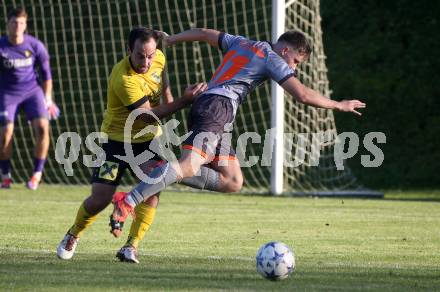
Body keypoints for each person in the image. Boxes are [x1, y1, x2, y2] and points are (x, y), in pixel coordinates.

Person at [110, 28, 366, 224]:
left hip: (215, 110)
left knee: (232, 181)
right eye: (296, 62)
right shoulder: (273, 58)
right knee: (190, 164)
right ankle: (129, 200)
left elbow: (202, 33)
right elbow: (303, 95)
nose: (293, 68)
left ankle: (163, 172)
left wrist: (172, 39)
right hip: (216, 109)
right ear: (287, 51)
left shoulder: (242, 42)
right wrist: (338, 105)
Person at [56, 27, 207, 263]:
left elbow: (162, 80)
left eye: (150, 55)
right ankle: (73, 234)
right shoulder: (123, 78)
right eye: (140, 56)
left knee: (153, 189)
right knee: (101, 198)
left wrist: (170, 99)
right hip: (115, 145)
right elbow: (146, 117)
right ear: (129, 51)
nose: (146, 61)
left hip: (147, 143)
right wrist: (184, 101)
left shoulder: (158, 57)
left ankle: (130, 247)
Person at [0, 7, 60, 190]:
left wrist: (47, 100)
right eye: (14, 22)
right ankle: (5, 176)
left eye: (21, 23)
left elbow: (47, 76)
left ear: (25, 25)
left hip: (32, 91)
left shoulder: (35, 46)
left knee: (43, 128)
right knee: (5, 133)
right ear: (7, 24)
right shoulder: (1, 46)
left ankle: (36, 175)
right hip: (7, 92)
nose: (17, 26)